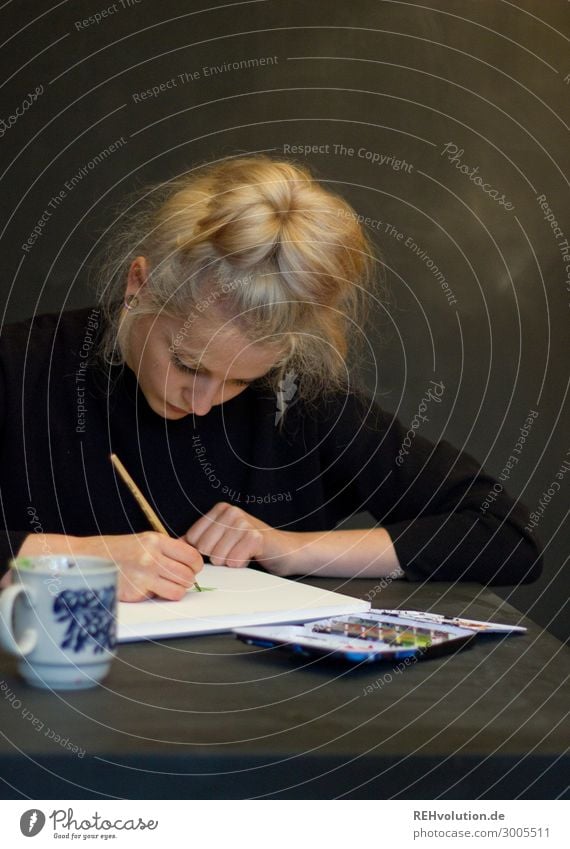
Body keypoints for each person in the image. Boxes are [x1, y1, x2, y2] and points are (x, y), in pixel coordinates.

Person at [0, 156, 541, 601]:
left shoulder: (295, 395)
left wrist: (291, 547)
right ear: (137, 285)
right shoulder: (20, 368)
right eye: (189, 364)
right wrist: (63, 557)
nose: (205, 402)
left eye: (240, 380)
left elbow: (503, 535)